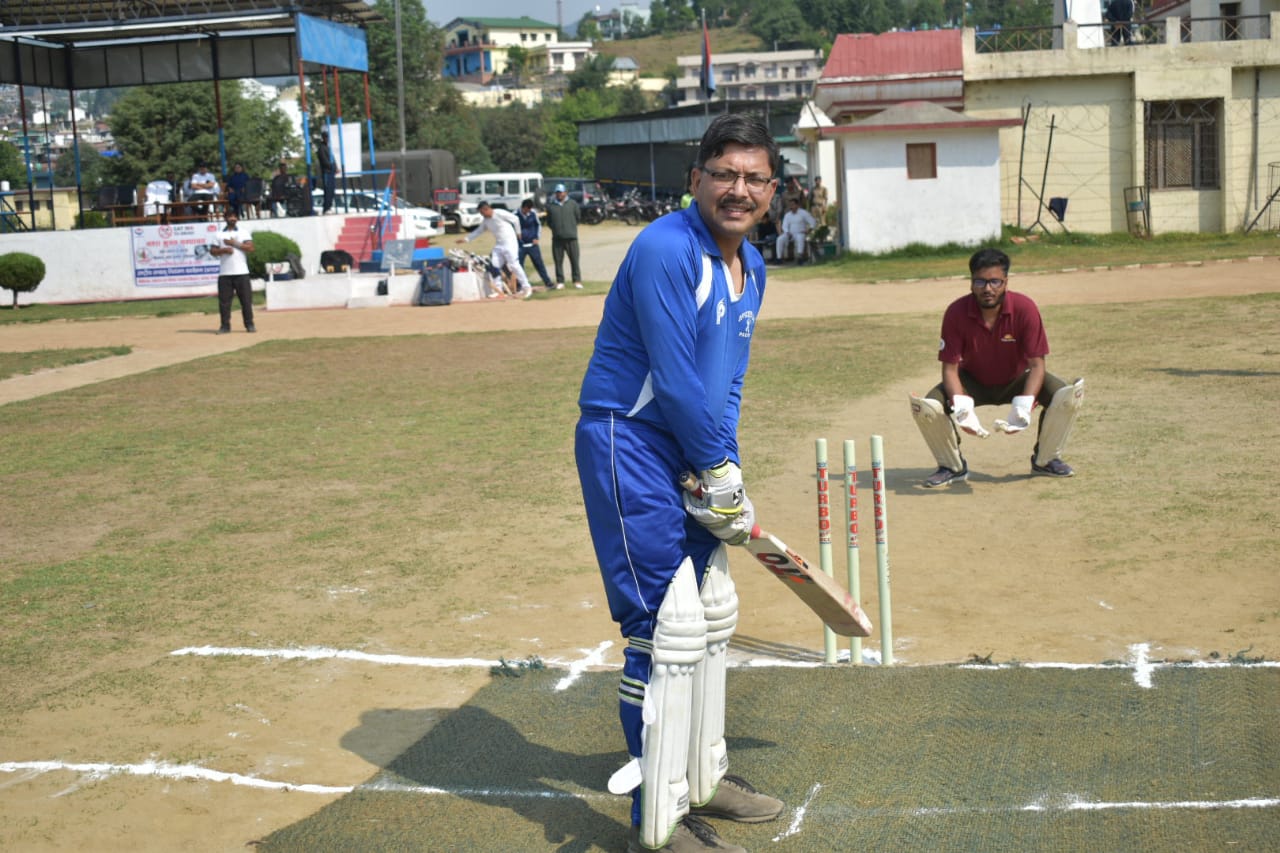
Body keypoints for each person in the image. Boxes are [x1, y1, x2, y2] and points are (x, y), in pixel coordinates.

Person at [575, 113, 786, 853]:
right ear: (696, 179)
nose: (738, 190)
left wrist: (726, 467)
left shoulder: (751, 265)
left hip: (688, 448)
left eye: (754, 178)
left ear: (773, 189)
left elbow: (724, 383)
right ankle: (655, 815)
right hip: (629, 440)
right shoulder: (666, 248)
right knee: (662, 628)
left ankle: (701, 774)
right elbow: (670, 379)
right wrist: (715, 466)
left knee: (706, 617)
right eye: (723, 174)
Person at [910, 247, 1084, 488]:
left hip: (1018, 378)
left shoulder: (1024, 308)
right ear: (971, 282)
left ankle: (1045, 460)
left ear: (1005, 282)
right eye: (980, 281)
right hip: (972, 380)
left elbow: (1037, 365)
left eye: (995, 281)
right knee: (927, 409)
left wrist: (1024, 406)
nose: (987, 289)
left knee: (1067, 396)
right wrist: (962, 408)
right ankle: (952, 466)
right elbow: (950, 369)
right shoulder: (956, 312)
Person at [455, 200, 532, 299]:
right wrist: (466, 239)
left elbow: (515, 219)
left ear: (486, 209)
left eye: (482, 213)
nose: (482, 215)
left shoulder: (499, 213)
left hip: (510, 243)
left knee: (514, 265)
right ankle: (499, 290)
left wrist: (518, 232)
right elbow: (478, 231)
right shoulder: (486, 221)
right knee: (494, 265)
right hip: (499, 244)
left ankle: (527, 287)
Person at [209, 209, 255, 334]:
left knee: (246, 301)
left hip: (242, 272)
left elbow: (251, 248)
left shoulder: (243, 232)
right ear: (225, 218)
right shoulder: (218, 234)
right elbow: (212, 251)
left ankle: (249, 324)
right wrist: (224, 250)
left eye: (235, 216)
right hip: (225, 273)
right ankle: (225, 326)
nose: (233, 218)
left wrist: (234, 243)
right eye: (230, 216)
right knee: (224, 303)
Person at [545, 183, 583, 289]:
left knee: (574, 260)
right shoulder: (551, 206)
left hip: (571, 237)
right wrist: (556, 229)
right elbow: (549, 222)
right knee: (558, 261)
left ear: (565, 193)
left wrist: (570, 227)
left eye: (561, 192)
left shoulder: (572, 204)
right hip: (557, 238)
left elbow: (578, 217)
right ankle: (560, 281)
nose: (559, 194)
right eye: (557, 192)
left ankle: (577, 280)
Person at [516, 198, 554, 289]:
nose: (528, 211)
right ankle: (520, 284)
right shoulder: (515, 215)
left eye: (530, 209)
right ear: (523, 207)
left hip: (532, 244)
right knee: (519, 265)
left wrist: (537, 237)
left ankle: (547, 282)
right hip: (520, 245)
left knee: (539, 264)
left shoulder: (533, 213)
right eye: (527, 209)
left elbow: (538, 225)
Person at [775, 196, 816, 263]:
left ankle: (800, 257)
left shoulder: (803, 213)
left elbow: (813, 222)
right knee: (779, 239)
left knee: (800, 237)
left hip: (800, 233)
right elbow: (784, 226)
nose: (791, 207)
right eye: (790, 205)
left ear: (797, 205)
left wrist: (809, 230)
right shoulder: (788, 215)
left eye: (793, 205)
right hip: (790, 234)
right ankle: (779, 258)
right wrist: (787, 232)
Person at [315, 130, 338, 214]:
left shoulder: (327, 148)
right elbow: (324, 161)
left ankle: (329, 207)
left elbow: (332, 159)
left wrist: (335, 168)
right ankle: (326, 208)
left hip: (331, 172)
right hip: (327, 172)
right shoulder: (321, 149)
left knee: (331, 190)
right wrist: (333, 168)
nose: (327, 139)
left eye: (328, 137)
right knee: (328, 190)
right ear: (323, 138)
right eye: (326, 137)